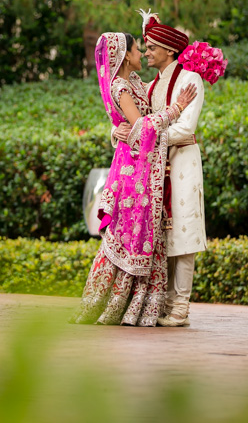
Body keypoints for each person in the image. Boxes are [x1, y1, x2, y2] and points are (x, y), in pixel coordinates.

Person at [72, 32, 196, 327]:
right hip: (133, 174)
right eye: (139, 49)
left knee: (146, 234)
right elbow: (140, 127)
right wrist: (176, 108)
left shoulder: (137, 83)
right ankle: (111, 304)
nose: (143, 53)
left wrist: (115, 131)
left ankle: (137, 306)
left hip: (145, 169)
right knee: (130, 233)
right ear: (126, 55)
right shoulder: (120, 86)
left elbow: (127, 123)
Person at [114, 13, 206, 327]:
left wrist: (147, 136)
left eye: (152, 47)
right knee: (162, 234)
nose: (147, 52)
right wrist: (121, 133)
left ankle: (180, 306)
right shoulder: (152, 85)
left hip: (181, 162)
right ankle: (164, 303)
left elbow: (185, 127)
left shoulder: (189, 79)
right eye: (146, 47)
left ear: (168, 50)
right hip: (156, 167)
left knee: (183, 231)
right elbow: (138, 122)